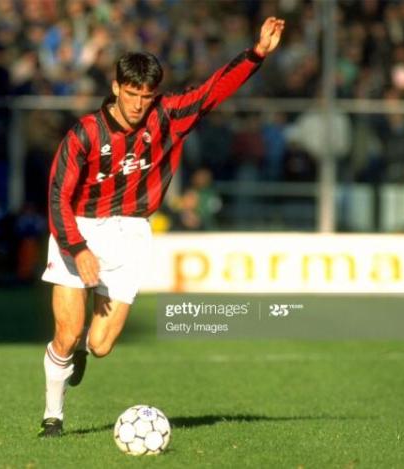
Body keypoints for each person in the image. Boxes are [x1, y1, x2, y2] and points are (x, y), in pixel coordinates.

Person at [38, 17, 285, 437]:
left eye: (146, 96)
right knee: (66, 333)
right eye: (132, 94)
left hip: (131, 234)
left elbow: (211, 92)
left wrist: (256, 54)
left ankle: (83, 353)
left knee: (100, 345)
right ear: (116, 87)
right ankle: (53, 418)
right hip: (78, 230)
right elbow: (58, 195)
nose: (138, 105)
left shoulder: (168, 117)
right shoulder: (85, 134)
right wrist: (77, 247)